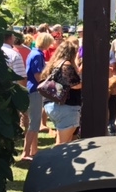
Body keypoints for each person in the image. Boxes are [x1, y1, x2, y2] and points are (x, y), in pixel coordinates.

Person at [41, 41, 82, 145]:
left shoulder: (54, 63)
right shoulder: (66, 65)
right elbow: (75, 85)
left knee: (62, 140)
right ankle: (55, 161)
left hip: (51, 104)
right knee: (62, 144)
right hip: (65, 106)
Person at [21, 32, 54, 161]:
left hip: (31, 89)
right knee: (34, 123)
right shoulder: (37, 55)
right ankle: (26, 153)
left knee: (33, 121)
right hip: (35, 90)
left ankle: (33, 150)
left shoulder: (33, 53)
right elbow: (37, 75)